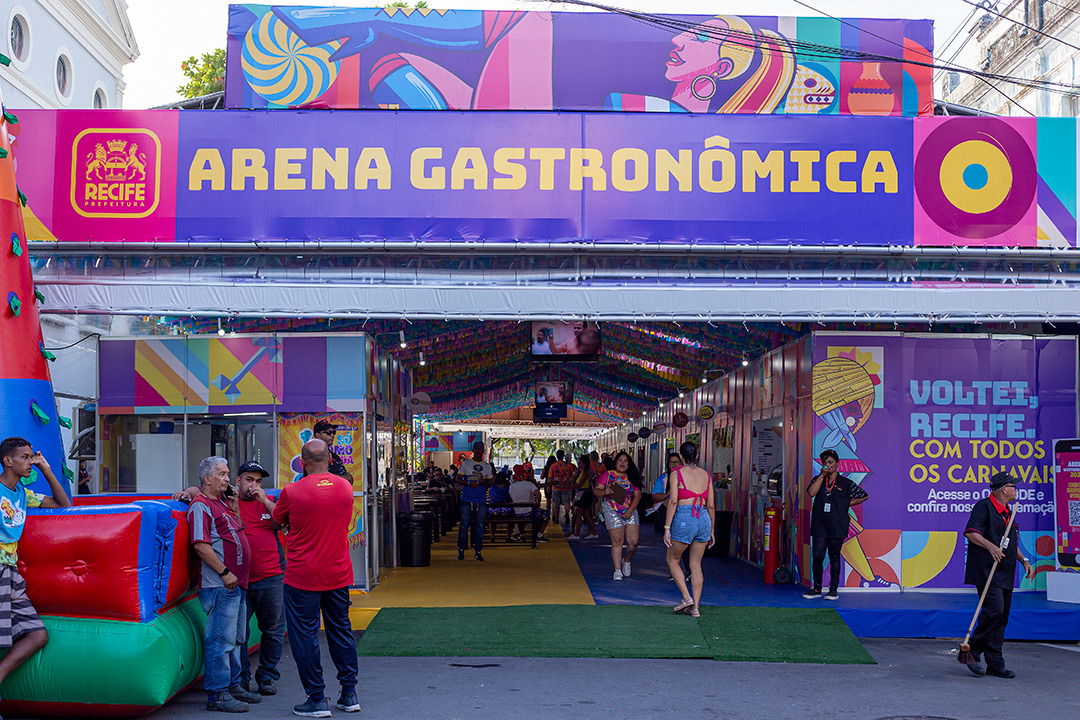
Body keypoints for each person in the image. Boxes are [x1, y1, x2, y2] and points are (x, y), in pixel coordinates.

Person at [175, 461, 286, 698]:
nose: (253, 485)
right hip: (228, 582)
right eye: (248, 479)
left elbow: (280, 524)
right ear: (238, 481)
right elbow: (201, 541)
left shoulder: (235, 503)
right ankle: (225, 689)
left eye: (258, 481)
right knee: (226, 639)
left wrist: (260, 500)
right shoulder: (213, 502)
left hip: (257, 579)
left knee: (250, 635)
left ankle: (248, 682)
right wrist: (225, 573)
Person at [271, 439, 360, 716]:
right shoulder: (345, 487)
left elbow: (276, 521)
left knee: (305, 637)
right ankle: (349, 693)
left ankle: (317, 698)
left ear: (302, 460)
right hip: (338, 573)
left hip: (302, 576)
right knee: (341, 632)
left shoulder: (292, 490)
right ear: (330, 457)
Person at [187, 456, 261, 713]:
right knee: (221, 640)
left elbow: (238, 531)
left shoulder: (222, 505)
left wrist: (235, 508)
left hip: (235, 584)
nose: (228, 479)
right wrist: (225, 572)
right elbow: (200, 545)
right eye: (222, 474)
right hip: (221, 585)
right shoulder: (201, 506)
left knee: (237, 638)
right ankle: (218, 694)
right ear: (207, 479)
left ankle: (233, 686)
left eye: (228, 474)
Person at [0, 438, 71, 696]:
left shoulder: (22, 493)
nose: (30, 462)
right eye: (25, 457)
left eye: (32, 457)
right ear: (8, 461)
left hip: (11, 573)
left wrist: (47, 469)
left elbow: (64, 505)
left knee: (37, 635)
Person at [961, 472, 1035, 679]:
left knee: (1001, 618)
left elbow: (1009, 543)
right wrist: (990, 546)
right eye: (1014, 486)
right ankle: (973, 651)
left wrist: (1024, 560)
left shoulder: (1009, 512)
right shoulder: (984, 506)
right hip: (987, 569)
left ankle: (995, 662)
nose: (1016, 490)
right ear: (1004, 488)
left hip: (1005, 570)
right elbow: (971, 532)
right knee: (994, 610)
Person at [803, 448, 868, 600]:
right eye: (825, 462)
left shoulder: (845, 483)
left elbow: (864, 496)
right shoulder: (818, 480)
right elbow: (811, 493)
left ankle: (833, 590)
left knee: (834, 556)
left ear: (837, 464)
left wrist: (847, 504)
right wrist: (821, 475)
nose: (828, 465)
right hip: (820, 524)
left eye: (830, 462)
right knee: (818, 555)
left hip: (837, 525)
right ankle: (817, 588)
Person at [664, 442, 715, 618]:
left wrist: (667, 527)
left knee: (672, 559)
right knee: (695, 564)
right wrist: (712, 530)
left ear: (681, 457)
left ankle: (687, 598)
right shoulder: (706, 475)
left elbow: (672, 502)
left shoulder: (676, 473)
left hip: (685, 517)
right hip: (703, 519)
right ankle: (696, 608)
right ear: (697, 456)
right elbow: (711, 505)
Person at [595, 451, 642, 581]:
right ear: (615, 463)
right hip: (612, 509)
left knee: (633, 543)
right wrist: (605, 491)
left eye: (625, 461)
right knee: (617, 541)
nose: (622, 463)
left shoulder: (632, 476)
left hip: (630, 509)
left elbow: (637, 496)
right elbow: (596, 490)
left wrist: (629, 511)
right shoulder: (608, 475)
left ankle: (626, 560)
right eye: (620, 460)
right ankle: (617, 570)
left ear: (629, 464)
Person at [455, 441, 494, 561]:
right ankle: (461, 550)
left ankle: (478, 551)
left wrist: (484, 482)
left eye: (480, 449)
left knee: (480, 527)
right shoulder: (466, 464)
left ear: (483, 451)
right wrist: (468, 483)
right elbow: (458, 479)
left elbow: (490, 482)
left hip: (481, 500)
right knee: (464, 526)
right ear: (473, 450)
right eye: (475, 448)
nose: (477, 451)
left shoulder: (487, 466)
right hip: (466, 499)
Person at [508, 465, 549, 542]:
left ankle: (522, 535)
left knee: (521, 518)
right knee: (546, 515)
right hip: (530, 512)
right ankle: (539, 535)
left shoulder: (511, 486)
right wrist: (538, 502)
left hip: (517, 512)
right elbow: (538, 494)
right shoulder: (529, 484)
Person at [570, 453, 598, 540]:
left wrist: (567, 486)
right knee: (586, 515)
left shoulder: (586, 473)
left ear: (584, 463)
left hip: (584, 495)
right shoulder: (579, 471)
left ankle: (576, 534)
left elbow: (579, 485)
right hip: (582, 494)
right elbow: (572, 479)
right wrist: (565, 483)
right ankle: (593, 533)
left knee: (578, 514)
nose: (578, 463)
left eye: (580, 462)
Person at [550, 449, 577, 526]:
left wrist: (549, 486)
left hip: (555, 487)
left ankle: (556, 518)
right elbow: (572, 477)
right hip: (566, 487)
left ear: (557, 456)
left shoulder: (553, 466)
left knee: (556, 503)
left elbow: (550, 477)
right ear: (563, 456)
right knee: (566, 502)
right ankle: (567, 514)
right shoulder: (569, 466)